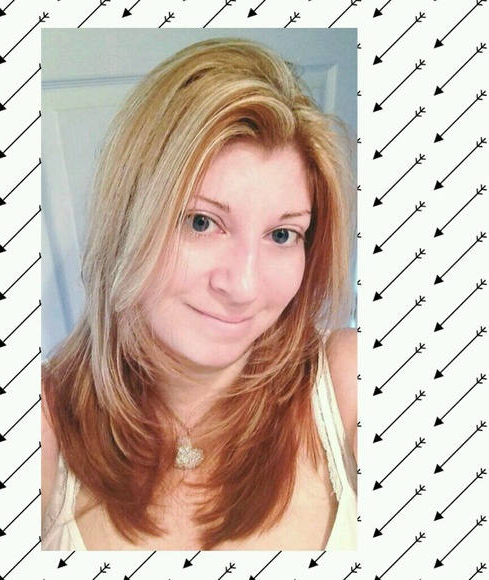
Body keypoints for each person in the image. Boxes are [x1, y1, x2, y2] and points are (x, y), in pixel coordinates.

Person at [41, 37, 357, 551]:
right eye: (201, 222)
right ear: (128, 223)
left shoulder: (346, 381)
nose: (243, 287)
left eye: (282, 234)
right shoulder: (47, 416)